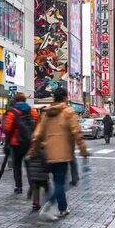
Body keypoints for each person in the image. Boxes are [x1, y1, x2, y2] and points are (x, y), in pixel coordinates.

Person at [30, 88, 88, 220]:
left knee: (58, 182)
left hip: (48, 153)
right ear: (65, 98)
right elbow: (77, 133)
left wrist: (33, 151)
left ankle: (63, 208)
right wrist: (83, 150)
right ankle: (48, 206)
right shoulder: (68, 112)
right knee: (61, 184)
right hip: (63, 153)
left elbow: (37, 134)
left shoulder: (46, 113)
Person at [4, 93, 39, 194]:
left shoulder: (12, 112)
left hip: (16, 143)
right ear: (25, 100)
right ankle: (32, 185)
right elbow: (37, 125)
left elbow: (7, 129)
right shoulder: (33, 111)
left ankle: (18, 187)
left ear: (15, 100)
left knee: (17, 165)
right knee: (29, 164)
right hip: (29, 142)